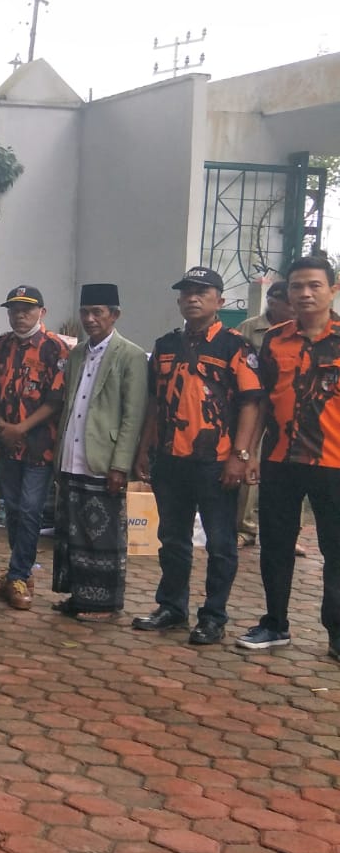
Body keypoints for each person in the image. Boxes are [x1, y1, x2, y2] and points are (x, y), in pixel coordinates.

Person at [132, 267, 262, 644]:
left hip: (216, 462)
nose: (192, 298)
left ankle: (213, 616)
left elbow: (251, 404)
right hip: (171, 459)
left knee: (221, 543)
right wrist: (145, 449)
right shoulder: (165, 345)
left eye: (202, 292)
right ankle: (172, 607)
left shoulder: (235, 346)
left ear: (219, 301)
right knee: (172, 538)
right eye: (187, 292)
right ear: (178, 300)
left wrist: (240, 455)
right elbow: (155, 402)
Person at [239, 255, 340, 655]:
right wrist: (248, 452)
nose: (304, 293)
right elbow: (261, 402)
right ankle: (275, 623)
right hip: (280, 459)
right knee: (276, 544)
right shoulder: (275, 340)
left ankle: (336, 632)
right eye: (297, 286)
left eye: (314, 285)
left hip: (333, 463)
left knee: (336, 550)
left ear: (332, 290)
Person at [50, 284, 148, 620]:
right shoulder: (77, 353)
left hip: (103, 460)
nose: (90, 319)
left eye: (98, 312)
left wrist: (121, 465)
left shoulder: (130, 355)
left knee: (101, 535)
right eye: (85, 312)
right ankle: (79, 596)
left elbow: (133, 415)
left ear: (115, 315)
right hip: (72, 455)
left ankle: (104, 602)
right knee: (72, 533)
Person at [0, 286, 69, 611]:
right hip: (7, 444)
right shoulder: (0, 346)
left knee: (32, 510)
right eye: (14, 309)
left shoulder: (55, 349)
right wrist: (0, 426)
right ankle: (17, 573)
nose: (20, 315)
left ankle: (19, 574)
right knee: (14, 510)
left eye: (27, 309)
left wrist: (21, 427)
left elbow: (56, 399)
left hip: (37, 446)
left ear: (42, 313)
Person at [235, 281, 293, 549]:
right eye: (288, 303)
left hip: (288, 410)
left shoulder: (299, 331)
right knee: (249, 461)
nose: (293, 308)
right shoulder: (249, 328)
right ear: (273, 302)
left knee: (289, 471)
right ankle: (244, 527)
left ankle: (289, 534)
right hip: (255, 405)